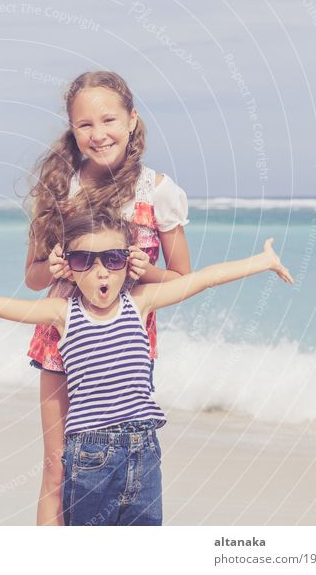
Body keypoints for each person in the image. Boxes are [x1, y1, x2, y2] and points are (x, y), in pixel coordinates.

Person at [0, 209, 293, 525]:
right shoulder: (62, 314)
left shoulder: (141, 302)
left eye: (113, 258)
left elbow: (203, 279)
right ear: (69, 266)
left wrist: (262, 261)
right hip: (90, 456)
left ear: (128, 261)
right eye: (85, 259)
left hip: (144, 451)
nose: (101, 270)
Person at [24, 71, 191, 524]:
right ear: (72, 130)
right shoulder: (60, 188)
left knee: (126, 468)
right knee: (56, 468)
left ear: (132, 121)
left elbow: (180, 277)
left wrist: (145, 271)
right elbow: (33, 278)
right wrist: (54, 268)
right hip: (62, 342)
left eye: (109, 120)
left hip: (126, 346)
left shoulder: (158, 191)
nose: (99, 135)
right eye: (85, 125)